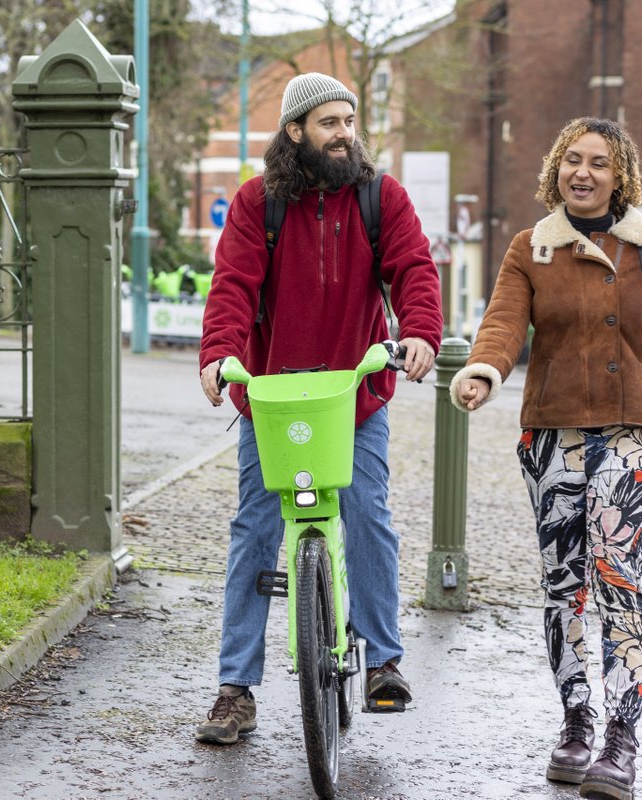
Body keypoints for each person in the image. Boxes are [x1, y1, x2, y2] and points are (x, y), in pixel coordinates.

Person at [450, 117, 642, 800]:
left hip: (631, 430)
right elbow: (504, 321)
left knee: (617, 573)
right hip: (552, 434)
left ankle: (622, 737)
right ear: (555, 169)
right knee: (563, 581)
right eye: (573, 160)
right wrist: (484, 369)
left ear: (619, 174)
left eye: (599, 163)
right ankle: (576, 722)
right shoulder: (529, 249)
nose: (584, 172)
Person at [195, 72, 443, 744]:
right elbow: (233, 288)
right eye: (329, 122)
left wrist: (420, 330)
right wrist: (219, 353)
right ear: (296, 130)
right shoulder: (258, 204)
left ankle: (383, 662)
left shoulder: (379, 197)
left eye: (350, 121)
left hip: (353, 393)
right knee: (254, 529)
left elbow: (413, 267)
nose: (343, 134)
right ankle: (234, 689)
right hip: (270, 396)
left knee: (367, 512)